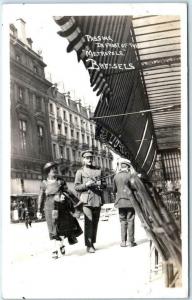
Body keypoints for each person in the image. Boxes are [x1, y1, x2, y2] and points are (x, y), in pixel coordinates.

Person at [37, 161, 83, 259]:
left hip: (61, 207)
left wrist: (77, 201)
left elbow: (68, 192)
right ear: (48, 171)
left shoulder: (60, 181)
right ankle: (54, 249)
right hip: (50, 208)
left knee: (61, 229)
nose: (54, 170)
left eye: (55, 168)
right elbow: (41, 196)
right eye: (52, 169)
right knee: (53, 229)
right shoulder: (44, 183)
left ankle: (61, 244)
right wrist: (38, 210)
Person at [74, 150, 106, 253]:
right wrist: (86, 185)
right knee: (89, 222)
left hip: (97, 199)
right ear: (83, 159)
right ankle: (89, 245)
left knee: (95, 223)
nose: (89, 160)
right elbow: (76, 187)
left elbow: (104, 185)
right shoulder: (80, 172)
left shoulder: (98, 171)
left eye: (91, 158)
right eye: (87, 158)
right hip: (86, 200)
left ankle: (92, 242)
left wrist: (100, 184)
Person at [113, 159, 137, 247]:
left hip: (120, 202)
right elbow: (134, 188)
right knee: (130, 220)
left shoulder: (116, 176)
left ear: (121, 166)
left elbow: (114, 190)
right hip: (130, 202)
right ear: (127, 166)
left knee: (122, 221)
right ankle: (131, 242)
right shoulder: (130, 175)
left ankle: (123, 242)